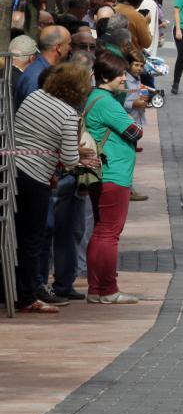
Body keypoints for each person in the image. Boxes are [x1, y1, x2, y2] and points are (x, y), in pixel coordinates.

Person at [8, 63, 96, 312]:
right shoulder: (68, 114)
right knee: (32, 239)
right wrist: (82, 157)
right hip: (36, 177)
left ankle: (12, 289)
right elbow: (69, 160)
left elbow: (34, 136)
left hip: (14, 167)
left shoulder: (35, 96)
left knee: (15, 236)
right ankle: (26, 296)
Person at [84, 52, 143, 304]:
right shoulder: (107, 103)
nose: (124, 78)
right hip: (114, 173)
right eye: (120, 74)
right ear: (106, 76)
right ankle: (108, 289)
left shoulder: (95, 97)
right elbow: (135, 131)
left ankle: (96, 289)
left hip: (102, 172)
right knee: (109, 233)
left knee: (100, 231)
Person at [15, 25, 72, 111]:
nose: (70, 49)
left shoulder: (43, 71)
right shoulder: (36, 76)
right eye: (69, 44)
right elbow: (33, 114)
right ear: (58, 48)